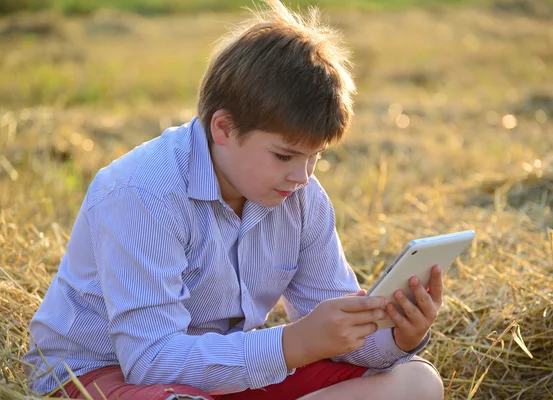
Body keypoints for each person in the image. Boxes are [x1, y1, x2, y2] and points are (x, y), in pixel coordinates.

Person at [23, 1, 444, 399]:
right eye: (284, 155)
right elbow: (149, 362)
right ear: (223, 128)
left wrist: (396, 335)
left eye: (316, 156)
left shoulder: (300, 196)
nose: (303, 176)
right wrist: (291, 344)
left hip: (228, 368)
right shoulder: (142, 193)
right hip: (102, 372)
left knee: (417, 382)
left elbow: (334, 329)